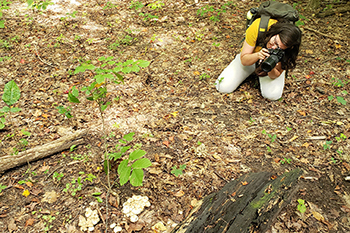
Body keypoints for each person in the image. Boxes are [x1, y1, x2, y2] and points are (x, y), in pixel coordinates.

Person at [215, 18, 302, 100]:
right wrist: (258, 55)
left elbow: (274, 75)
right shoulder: (259, 26)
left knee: (272, 95)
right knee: (222, 86)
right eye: (275, 42)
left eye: (279, 48)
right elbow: (244, 60)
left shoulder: (289, 49)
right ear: (276, 33)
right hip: (251, 57)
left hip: (269, 65)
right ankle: (250, 72)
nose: (273, 46)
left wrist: (271, 66)